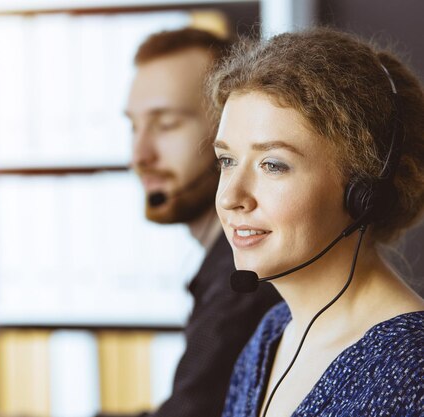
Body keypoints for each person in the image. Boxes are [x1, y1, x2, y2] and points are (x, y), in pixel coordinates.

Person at [210, 27, 424, 417]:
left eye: (272, 164)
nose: (229, 198)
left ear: (363, 193)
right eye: (227, 160)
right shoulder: (272, 335)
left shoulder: (411, 370)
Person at [120, 27, 281, 417]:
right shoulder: (224, 266)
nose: (139, 154)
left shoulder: (243, 279)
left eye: (166, 123)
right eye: (134, 126)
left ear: (229, 132)